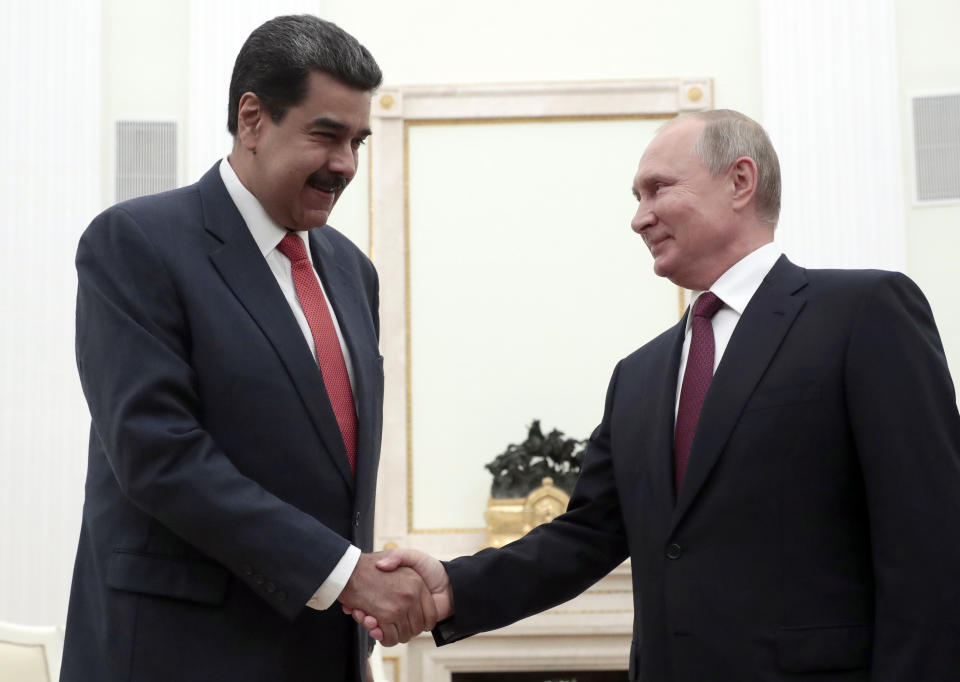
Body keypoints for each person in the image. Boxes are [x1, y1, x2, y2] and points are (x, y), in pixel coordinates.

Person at [354, 110, 960, 681]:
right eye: (636, 199)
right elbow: (586, 536)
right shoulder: (639, 376)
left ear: (740, 181)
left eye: (657, 189)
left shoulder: (864, 314)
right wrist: (451, 588)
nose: (639, 218)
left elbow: (930, 543)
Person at [62, 15, 435, 682]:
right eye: (326, 136)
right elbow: (158, 454)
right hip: (179, 656)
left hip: (320, 655)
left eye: (358, 141)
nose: (345, 165)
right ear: (254, 120)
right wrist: (348, 576)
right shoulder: (137, 244)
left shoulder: (353, 273)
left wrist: (356, 581)